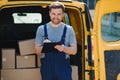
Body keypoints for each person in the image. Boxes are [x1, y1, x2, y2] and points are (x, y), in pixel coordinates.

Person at [35, 1, 77, 80]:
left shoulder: (69, 29)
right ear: (49, 13)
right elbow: (37, 51)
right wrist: (45, 47)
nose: (56, 17)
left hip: (63, 69)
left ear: (63, 14)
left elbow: (74, 51)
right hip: (47, 69)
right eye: (53, 14)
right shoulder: (41, 29)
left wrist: (63, 48)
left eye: (59, 14)